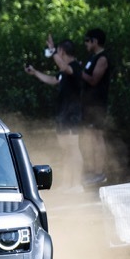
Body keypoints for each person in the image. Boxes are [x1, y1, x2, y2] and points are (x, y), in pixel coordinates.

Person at [26, 37, 84, 190]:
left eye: (58, 52)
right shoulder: (63, 71)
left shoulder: (75, 67)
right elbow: (53, 79)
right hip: (62, 114)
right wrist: (35, 73)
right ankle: (66, 184)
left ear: (62, 52)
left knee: (73, 147)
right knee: (66, 149)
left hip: (72, 114)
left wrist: (52, 52)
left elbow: (66, 68)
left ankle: (77, 184)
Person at [79, 28, 113, 185]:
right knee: (89, 138)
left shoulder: (102, 58)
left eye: (87, 40)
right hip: (88, 104)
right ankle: (92, 172)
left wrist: (79, 71)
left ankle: (100, 173)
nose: (85, 43)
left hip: (97, 105)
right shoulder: (93, 57)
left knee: (97, 137)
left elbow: (94, 80)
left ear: (95, 41)